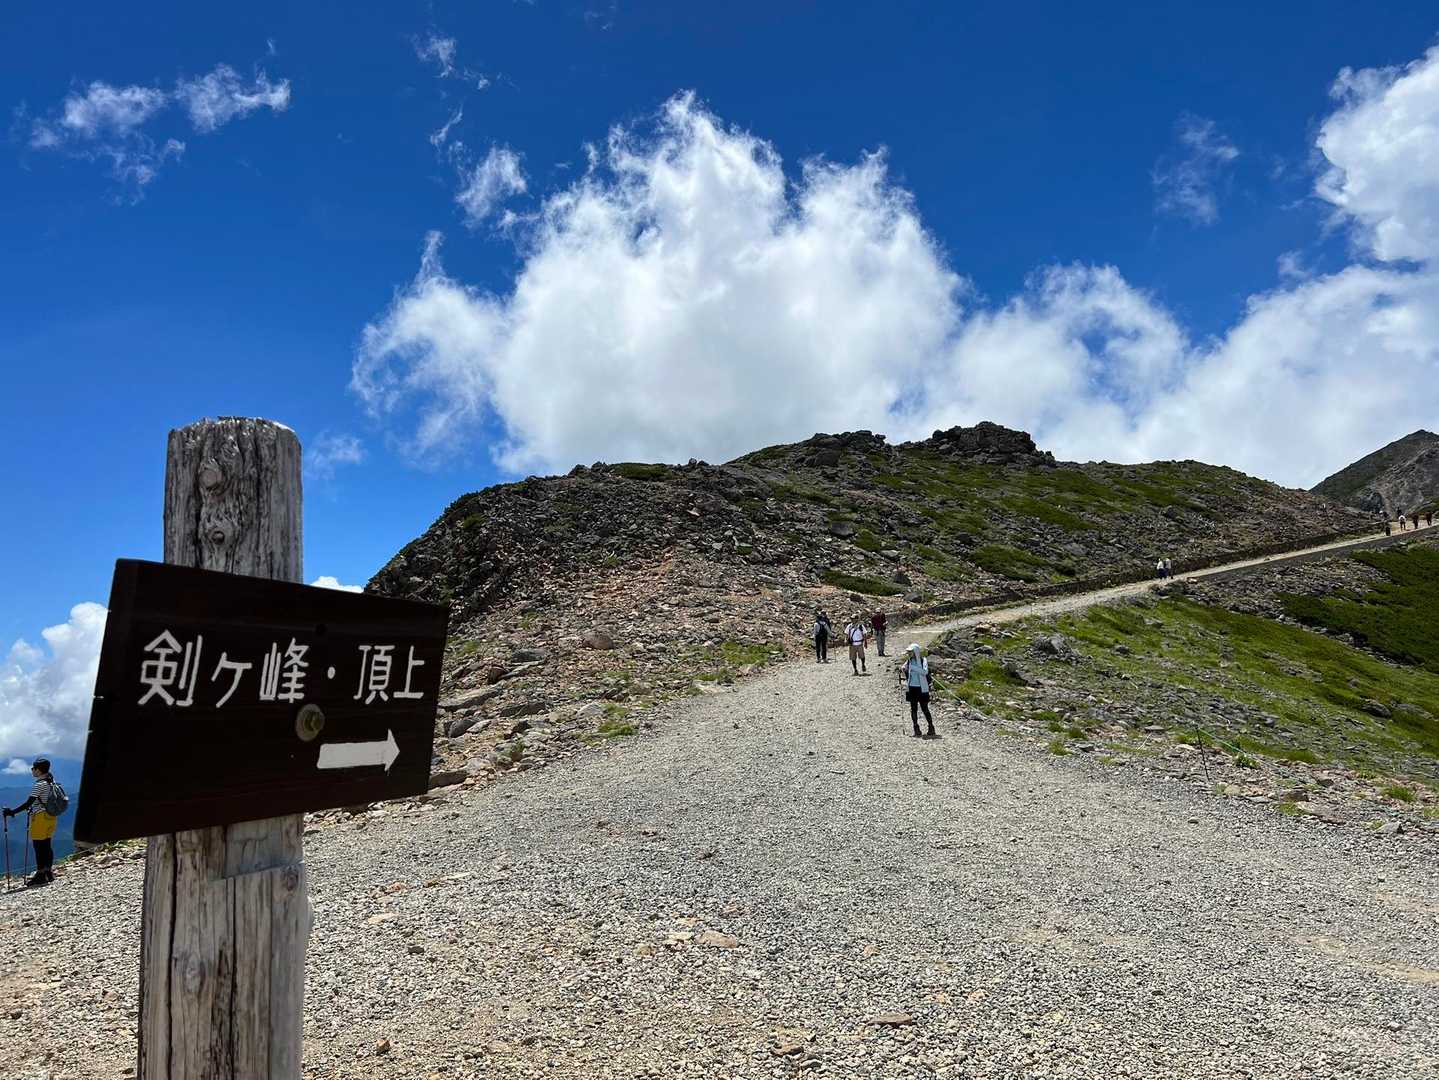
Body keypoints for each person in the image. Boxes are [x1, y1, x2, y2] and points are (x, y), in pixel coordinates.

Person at [4, 759, 60, 888]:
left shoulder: (39, 784)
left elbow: (28, 803)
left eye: (33, 768)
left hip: (40, 818)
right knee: (47, 845)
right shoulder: (51, 781)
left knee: (38, 847)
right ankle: (48, 873)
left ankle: (40, 876)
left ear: (38, 770)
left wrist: (12, 812)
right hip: (51, 816)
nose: (32, 770)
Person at [901, 643, 936, 738]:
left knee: (925, 708)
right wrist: (903, 669)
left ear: (915, 652)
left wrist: (913, 668)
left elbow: (925, 671)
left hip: (922, 688)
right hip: (912, 688)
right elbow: (904, 668)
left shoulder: (923, 660)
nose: (909, 654)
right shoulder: (909, 661)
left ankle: (931, 727)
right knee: (913, 709)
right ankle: (916, 728)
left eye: (911, 652)